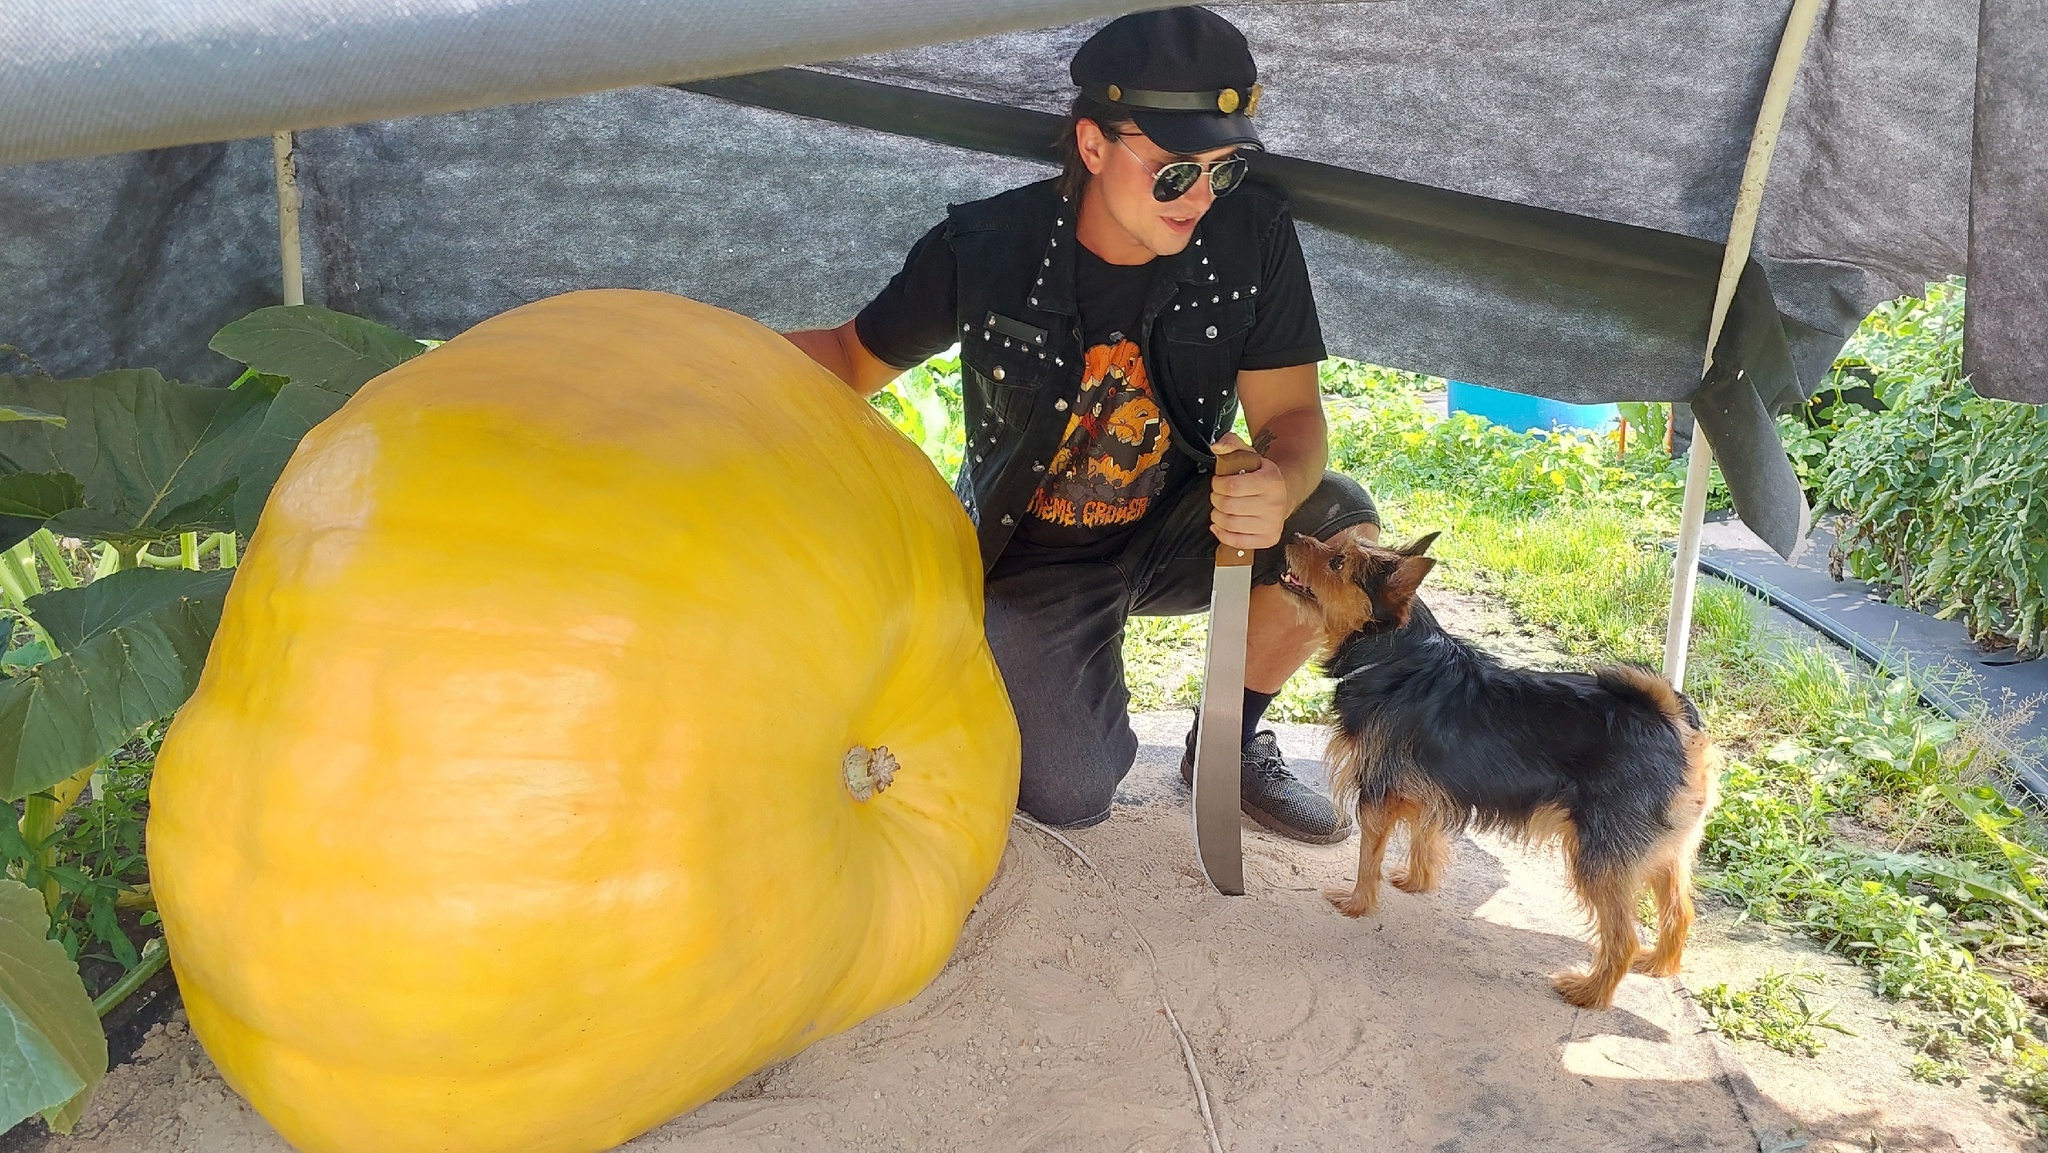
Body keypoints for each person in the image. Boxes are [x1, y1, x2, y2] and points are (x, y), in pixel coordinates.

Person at [784, 6, 1379, 842]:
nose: (1202, 197)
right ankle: (1034, 672)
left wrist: (1279, 481)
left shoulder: (1253, 236)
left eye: (1226, 170)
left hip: (1183, 525)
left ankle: (1228, 742)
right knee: (1070, 793)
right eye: (1175, 173)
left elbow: (1290, 414)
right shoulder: (988, 247)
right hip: (1033, 561)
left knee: (1339, 524)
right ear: (1094, 145)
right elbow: (849, 358)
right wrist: (705, 356)